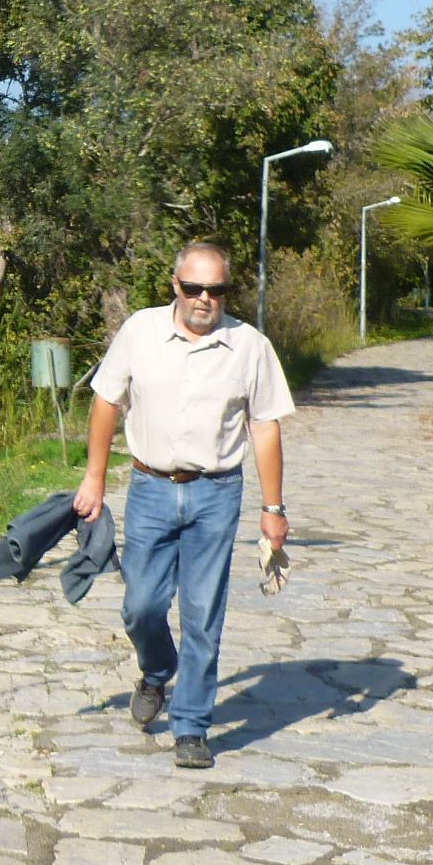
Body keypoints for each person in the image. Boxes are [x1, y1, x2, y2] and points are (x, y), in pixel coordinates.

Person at [71, 241, 295, 770]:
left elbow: (264, 426)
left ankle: (192, 726)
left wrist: (274, 509)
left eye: (216, 290)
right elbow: (105, 401)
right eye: (193, 288)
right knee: (141, 606)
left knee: (202, 614)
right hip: (150, 488)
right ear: (175, 286)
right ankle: (156, 669)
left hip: (216, 493)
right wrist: (94, 479)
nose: (203, 299)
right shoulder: (140, 331)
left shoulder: (249, 346)